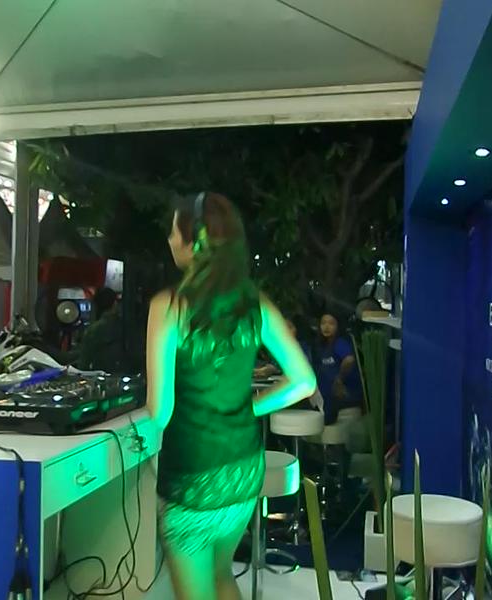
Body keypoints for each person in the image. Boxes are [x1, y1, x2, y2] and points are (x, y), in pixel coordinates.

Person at [146, 191, 316, 600]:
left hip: (192, 477)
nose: (169, 240)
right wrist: (250, 407)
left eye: (174, 232)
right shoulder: (255, 303)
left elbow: (160, 412)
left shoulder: (168, 306)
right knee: (223, 576)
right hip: (242, 471)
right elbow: (303, 382)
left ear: (195, 241)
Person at [311, 312, 362, 425]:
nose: (326, 327)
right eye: (323, 323)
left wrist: (339, 379)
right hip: (326, 399)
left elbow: (349, 359)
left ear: (338, 326)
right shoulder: (321, 346)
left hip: (344, 399)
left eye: (331, 323)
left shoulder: (340, 343)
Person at [76, 287, 124, 372]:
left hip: (100, 375)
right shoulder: (125, 326)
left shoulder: (93, 330)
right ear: (114, 304)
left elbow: (84, 363)